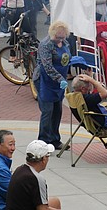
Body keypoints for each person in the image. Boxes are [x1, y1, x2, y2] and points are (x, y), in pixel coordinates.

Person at [35, 21, 71, 149]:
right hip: (45, 81)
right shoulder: (46, 45)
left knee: (57, 111)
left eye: (62, 37)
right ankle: (43, 141)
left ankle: (55, 139)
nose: (59, 40)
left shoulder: (65, 43)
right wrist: (60, 78)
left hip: (58, 83)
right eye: (57, 37)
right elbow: (47, 66)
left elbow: (67, 59)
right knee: (47, 111)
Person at [6, 140, 62, 210]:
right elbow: (42, 208)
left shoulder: (19, 169)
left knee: (55, 202)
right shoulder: (37, 179)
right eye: (47, 156)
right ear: (44, 159)